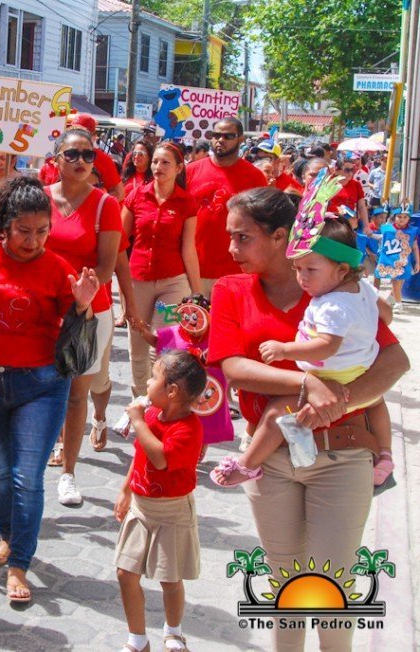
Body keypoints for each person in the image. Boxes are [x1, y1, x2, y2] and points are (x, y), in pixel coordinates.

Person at [208, 187, 407, 651]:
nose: (231, 248)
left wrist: (339, 400)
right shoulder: (230, 289)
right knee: (285, 584)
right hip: (270, 460)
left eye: (243, 237)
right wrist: (305, 385)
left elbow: (395, 362)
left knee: (332, 585)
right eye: (230, 236)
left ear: (281, 236)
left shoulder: (335, 289)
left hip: (342, 456)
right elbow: (233, 367)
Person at [0, 176, 103, 602]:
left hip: (42, 386)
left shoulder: (58, 269)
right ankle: (10, 537)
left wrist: (82, 304)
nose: (33, 241)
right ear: (4, 226)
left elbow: (79, 332)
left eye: (42, 231)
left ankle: (19, 564)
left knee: (27, 477)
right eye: (24, 231)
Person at [211, 216, 394, 488]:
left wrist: (285, 351)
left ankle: (248, 465)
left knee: (276, 413)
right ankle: (386, 455)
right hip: (359, 370)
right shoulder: (361, 289)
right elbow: (386, 314)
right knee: (376, 401)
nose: (301, 277)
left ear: (341, 270)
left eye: (310, 269)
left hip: (334, 377)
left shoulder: (332, 305)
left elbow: (327, 346)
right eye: (297, 268)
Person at [44, 128, 123, 506]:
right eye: (72, 154)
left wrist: (77, 294)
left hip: (89, 311)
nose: (80, 161)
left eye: (88, 155)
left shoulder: (106, 205)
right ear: (56, 159)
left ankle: (69, 473)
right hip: (41, 309)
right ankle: (47, 446)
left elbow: (107, 267)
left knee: (77, 394)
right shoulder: (40, 199)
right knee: (43, 387)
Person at [114, 350, 206, 652]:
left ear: (172, 391)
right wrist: (126, 490)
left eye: (154, 378)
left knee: (170, 578)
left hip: (172, 512)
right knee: (126, 573)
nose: (147, 383)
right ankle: (137, 639)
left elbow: (160, 458)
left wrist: (137, 421)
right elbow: (140, 454)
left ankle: (174, 630)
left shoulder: (188, 429)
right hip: (141, 507)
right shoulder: (153, 414)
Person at [123, 142, 201, 397]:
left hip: (173, 282)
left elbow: (189, 249)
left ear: (179, 168)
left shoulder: (187, 203)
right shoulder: (136, 196)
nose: (158, 166)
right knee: (137, 345)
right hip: (138, 280)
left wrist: (197, 294)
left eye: (165, 162)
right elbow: (120, 241)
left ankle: (162, 401)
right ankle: (141, 400)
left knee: (166, 343)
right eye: (155, 161)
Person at [132, 294, 234, 456]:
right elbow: (158, 342)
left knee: (207, 418)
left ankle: (202, 444)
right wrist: (143, 331)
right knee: (181, 416)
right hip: (182, 388)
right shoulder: (174, 333)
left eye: (196, 317)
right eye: (186, 317)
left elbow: (231, 354)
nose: (191, 322)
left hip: (208, 388)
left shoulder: (217, 336)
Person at [185, 118, 268, 297]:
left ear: (240, 139)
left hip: (235, 272)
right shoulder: (190, 171)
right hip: (192, 271)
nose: (220, 140)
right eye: (216, 135)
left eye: (228, 136)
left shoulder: (255, 177)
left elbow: (263, 225)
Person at [38, 114, 125, 202]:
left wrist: (95, 204)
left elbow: (119, 193)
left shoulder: (103, 159)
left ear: (94, 136)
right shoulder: (56, 154)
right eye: (73, 131)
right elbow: (41, 183)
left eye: (83, 133)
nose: (78, 136)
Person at [375, 207, 419, 312]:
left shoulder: (413, 231)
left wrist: (418, 262)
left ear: (409, 218)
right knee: (395, 280)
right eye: (399, 217)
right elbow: (381, 240)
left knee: (400, 281)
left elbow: (415, 247)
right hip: (390, 259)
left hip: (404, 260)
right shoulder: (386, 228)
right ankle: (398, 303)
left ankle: (391, 297)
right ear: (395, 217)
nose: (402, 219)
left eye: (405, 217)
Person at [327, 158, 369, 226]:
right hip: (331, 224)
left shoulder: (356, 184)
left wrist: (366, 226)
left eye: (352, 170)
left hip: (349, 224)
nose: (350, 173)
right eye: (347, 170)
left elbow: (361, 206)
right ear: (337, 171)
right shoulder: (328, 183)